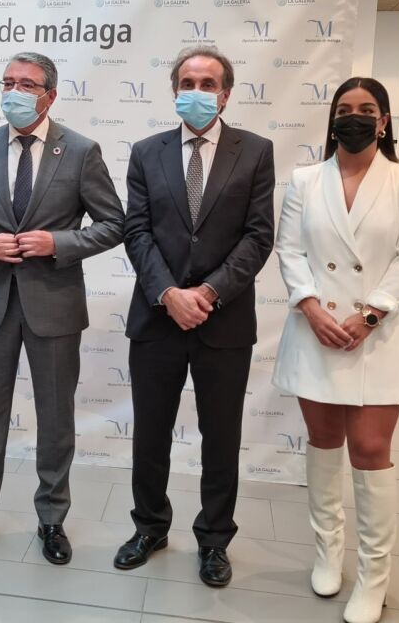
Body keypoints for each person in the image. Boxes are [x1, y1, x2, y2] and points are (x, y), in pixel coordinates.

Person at [0, 52, 124, 563]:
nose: (14, 92)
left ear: (50, 94)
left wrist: (59, 243)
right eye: (7, 82)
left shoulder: (81, 151)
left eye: (26, 84)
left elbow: (114, 223)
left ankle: (52, 519)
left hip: (55, 304)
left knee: (55, 417)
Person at [271, 77, 399, 623]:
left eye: (367, 109)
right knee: (322, 442)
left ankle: (373, 577)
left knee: (369, 449)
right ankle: (327, 554)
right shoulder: (305, 179)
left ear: (383, 121)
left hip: (376, 334)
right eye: (344, 108)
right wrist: (312, 308)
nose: (354, 117)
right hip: (315, 329)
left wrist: (369, 315)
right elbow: (289, 251)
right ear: (333, 118)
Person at [115, 46, 275, 587]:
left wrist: (207, 292)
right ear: (174, 90)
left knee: (221, 437)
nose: (197, 91)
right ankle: (149, 527)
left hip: (223, 320)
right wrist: (168, 293)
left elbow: (258, 236)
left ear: (225, 95)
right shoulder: (146, 152)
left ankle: (214, 540)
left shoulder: (255, 151)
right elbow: (136, 231)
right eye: (188, 82)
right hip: (157, 318)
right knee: (150, 433)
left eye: (208, 84)